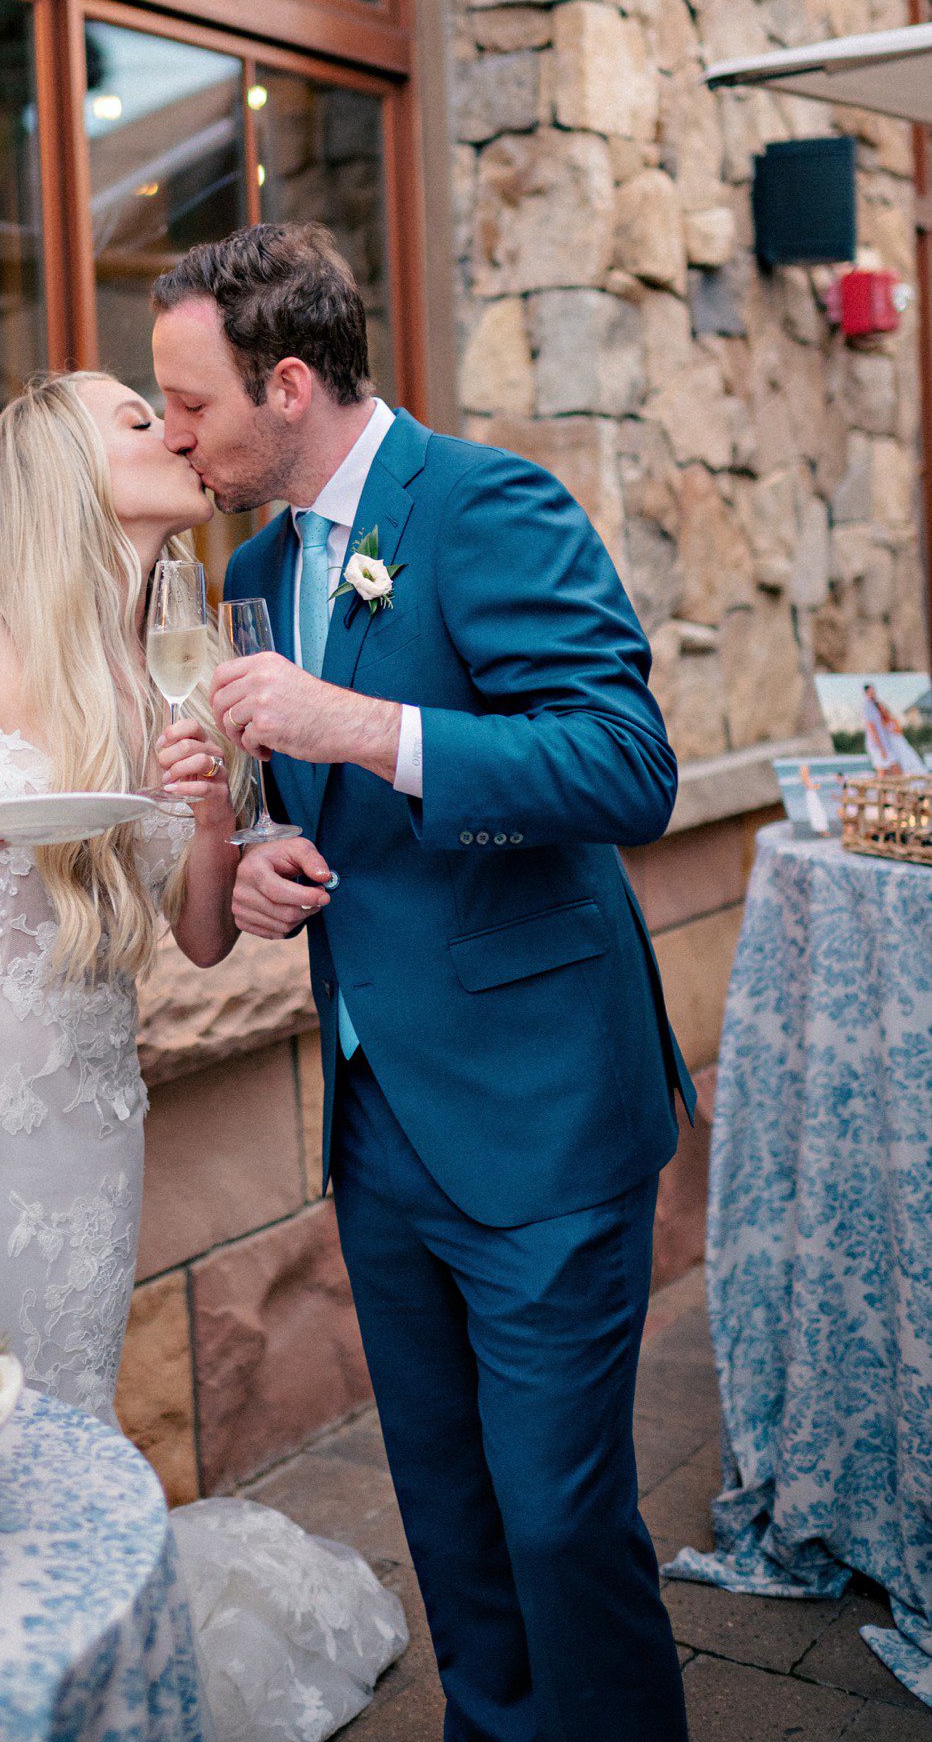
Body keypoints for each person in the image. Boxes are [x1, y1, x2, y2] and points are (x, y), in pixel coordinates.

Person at [151, 222, 695, 1742]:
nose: (175, 436)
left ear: (293, 384)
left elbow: (628, 767)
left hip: (537, 1112)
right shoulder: (256, 568)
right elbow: (294, 815)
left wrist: (363, 727)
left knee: (561, 1523)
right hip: (378, 1121)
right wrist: (258, 858)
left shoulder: (486, 505)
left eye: (191, 405)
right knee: (450, 1512)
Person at [0, 370, 407, 1742]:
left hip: (85, 1106)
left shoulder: (175, 669)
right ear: (61, 472)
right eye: (139, 420)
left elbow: (201, 940)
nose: (177, 433)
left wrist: (210, 820)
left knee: (57, 1413)